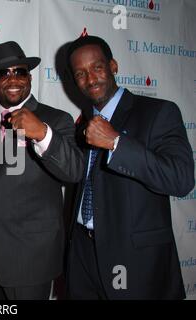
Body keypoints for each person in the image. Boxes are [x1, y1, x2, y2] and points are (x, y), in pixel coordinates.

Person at [65, 35, 194, 299]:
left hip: (136, 262)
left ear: (113, 66)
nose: (90, 79)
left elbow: (181, 180)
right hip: (82, 255)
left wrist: (116, 143)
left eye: (97, 68)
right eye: (80, 73)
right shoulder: (83, 126)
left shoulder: (158, 112)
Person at [0, 41, 84, 299]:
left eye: (20, 72)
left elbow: (75, 171)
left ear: (30, 77)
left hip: (31, 256)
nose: (13, 80)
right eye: (3, 73)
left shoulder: (56, 119)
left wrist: (43, 134)